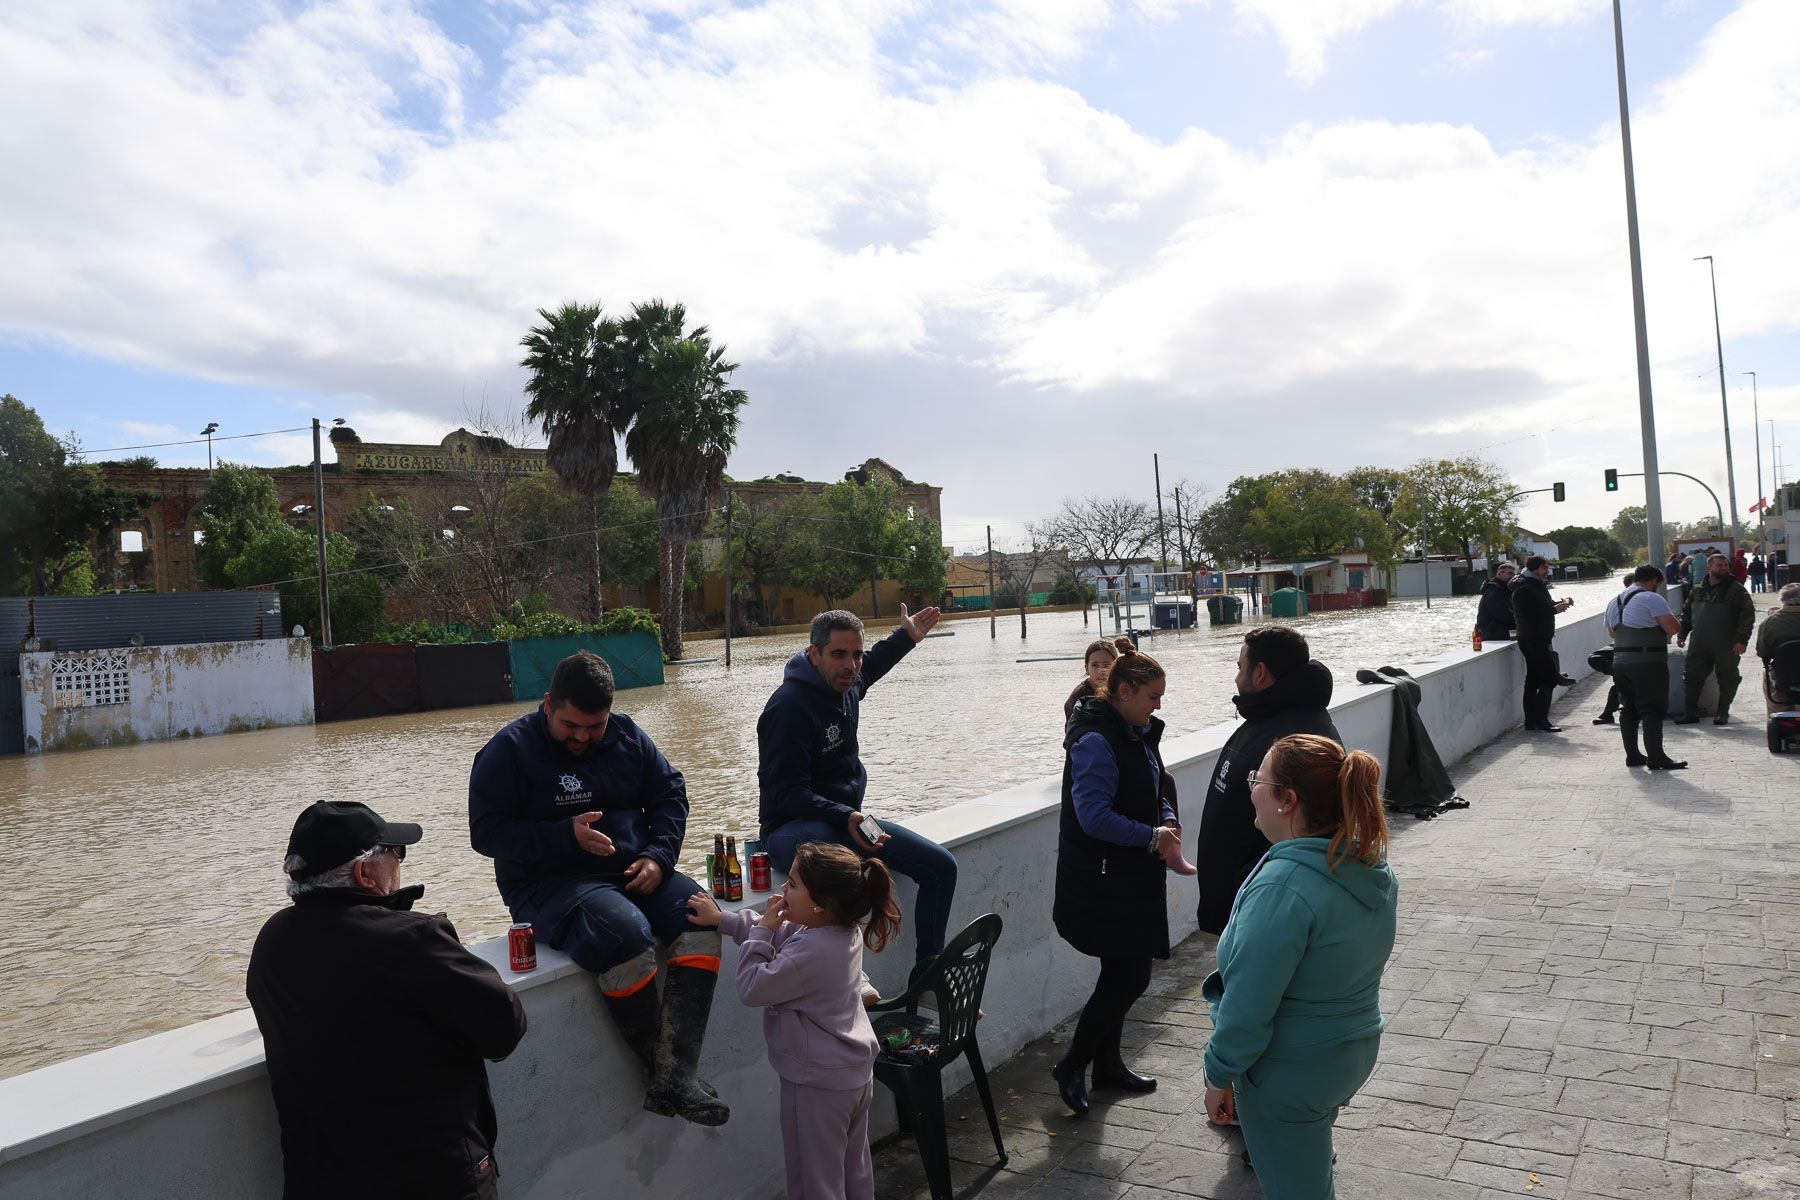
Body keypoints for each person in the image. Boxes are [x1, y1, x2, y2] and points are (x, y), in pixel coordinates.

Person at [468, 651, 728, 1127]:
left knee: (700, 916)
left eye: (595, 726)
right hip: (551, 885)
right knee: (624, 934)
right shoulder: (508, 751)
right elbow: (485, 834)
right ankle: (668, 1073)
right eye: (571, 725)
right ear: (548, 704)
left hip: (633, 869)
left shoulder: (629, 736)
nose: (583, 738)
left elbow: (671, 794)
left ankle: (676, 1074)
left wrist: (659, 855)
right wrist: (563, 835)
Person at [248, 801, 527, 1200]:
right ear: (364, 873)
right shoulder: (412, 940)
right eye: (396, 853)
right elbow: (504, 1028)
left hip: (321, 1183)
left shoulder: (272, 940)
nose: (400, 863)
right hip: (430, 1180)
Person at [1201, 734, 1397, 1200]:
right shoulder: (1365, 866)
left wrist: (1217, 1075)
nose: (1251, 789)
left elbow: (1248, 1011)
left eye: (1258, 780)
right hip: (1347, 1051)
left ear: (1287, 800)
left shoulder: (1284, 887)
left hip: (1290, 1071)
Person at [687, 844, 897, 1200]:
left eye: (794, 884)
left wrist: (761, 933)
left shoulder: (812, 950)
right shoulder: (837, 930)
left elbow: (753, 987)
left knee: (815, 1183)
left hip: (817, 1084)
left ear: (819, 903)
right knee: (853, 1171)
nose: (783, 889)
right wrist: (726, 921)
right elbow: (778, 934)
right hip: (851, 1074)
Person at [757, 607, 958, 978]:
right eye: (839, 654)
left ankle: (929, 975)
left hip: (843, 823)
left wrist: (906, 638)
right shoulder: (789, 708)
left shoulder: (846, 685)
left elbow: (875, 665)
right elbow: (786, 793)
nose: (851, 665)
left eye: (856, 654)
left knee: (941, 867)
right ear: (814, 654)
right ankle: (851, 972)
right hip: (792, 830)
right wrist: (843, 815)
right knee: (837, 869)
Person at [1052, 636, 1185, 1114]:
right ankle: (1073, 1064)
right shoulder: (1095, 739)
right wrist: (1152, 837)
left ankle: (1106, 1066)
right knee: (1128, 977)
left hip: (1127, 874)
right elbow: (1092, 816)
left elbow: (1154, 785)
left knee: (1122, 972)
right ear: (1125, 691)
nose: (1157, 706)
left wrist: (1165, 818)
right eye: (1152, 697)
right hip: (1102, 878)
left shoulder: (1133, 730)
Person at [1195, 626, 1338, 936]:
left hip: (1262, 913)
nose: (1236, 677)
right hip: (1241, 906)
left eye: (1240, 667)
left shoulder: (1297, 738)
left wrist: (1247, 892)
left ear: (1260, 673)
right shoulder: (1266, 718)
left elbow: (1305, 835)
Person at [1604, 566, 1686, 770]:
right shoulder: (1651, 598)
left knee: (1628, 708)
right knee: (1652, 709)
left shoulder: (1614, 601)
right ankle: (1656, 757)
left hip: (1621, 662)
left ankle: (1633, 756)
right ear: (1655, 581)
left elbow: (1613, 634)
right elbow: (1673, 628)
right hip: (1648, 663)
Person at [1676, 552, 1757, 726]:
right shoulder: (1697, 589)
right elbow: (1687, 614)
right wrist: (1682, 634)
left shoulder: (1737, 590)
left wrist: (1742, 640)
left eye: (1725, 565)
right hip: (1699, 642)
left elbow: (1747, 617)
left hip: (1726, 643)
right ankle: (1690, 712)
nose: (1723, 568)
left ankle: (1722, 713)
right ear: (1709, 568)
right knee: (1691, 676)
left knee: (1728, 677)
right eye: (1719, 565)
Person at [1508, 555, 1574, 732]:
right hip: (1532, 638)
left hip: (1537, 637)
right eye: (1545, 568)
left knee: (1533, 680)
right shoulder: (1523, 588)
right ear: (1535, 568)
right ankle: (1542, 720)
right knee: (1549, 679)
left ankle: (1532, 722)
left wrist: (1561, 603)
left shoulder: (1535, 584)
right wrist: (1554, 610)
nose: (1548, 571)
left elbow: (1543, 606)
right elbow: (1531, 614)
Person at [1592, 571, 1635, 725]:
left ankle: (1608, 713)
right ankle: (1621, 675)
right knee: (1620, 677)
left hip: (1633, 647)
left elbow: (1612, 633)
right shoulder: (1618, 602)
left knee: (1620, 680)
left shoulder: (1615, 602)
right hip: (1625, 646)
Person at [1064, 638, 1118, 718]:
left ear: (1115, 666)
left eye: (1106, 665)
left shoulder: (1121, 690)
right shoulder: (1078, 696)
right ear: (1087, 668)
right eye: (1095, 665)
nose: (1100, 671)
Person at [1475, 561, 1517, 642]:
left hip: (1499, 632)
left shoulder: (1505, 590)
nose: (1513, 576)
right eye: (1510, 574)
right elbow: (1503, 615)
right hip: (1493, 634)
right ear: (1500, 573)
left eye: (1514, 574)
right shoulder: (1494, 591)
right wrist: (1523, 620)